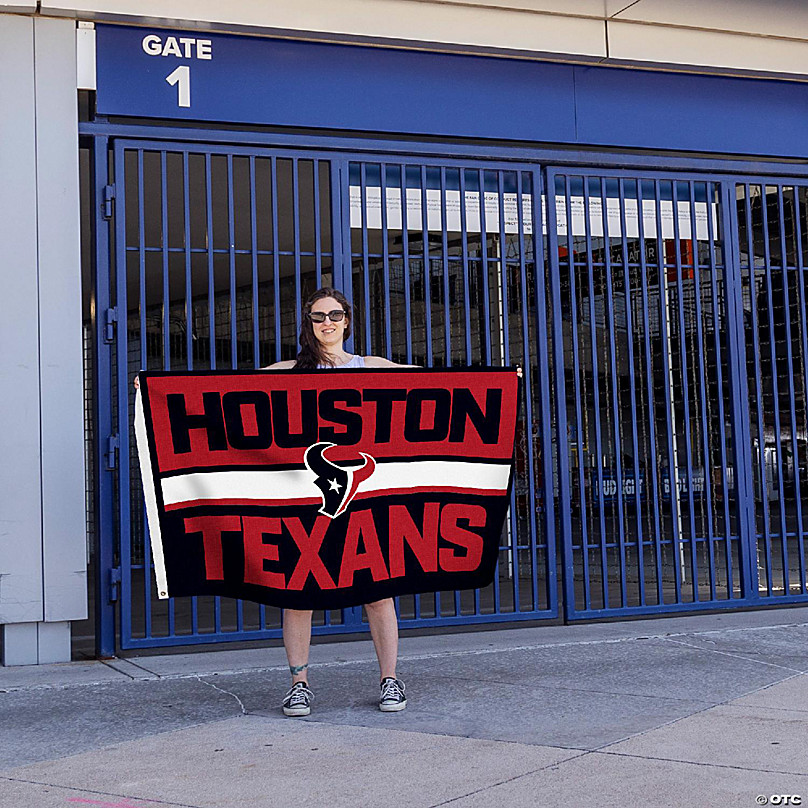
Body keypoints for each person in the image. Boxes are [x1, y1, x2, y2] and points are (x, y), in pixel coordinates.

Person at [267, 287, 413, 718]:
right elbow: (219, 389)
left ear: (347, 320)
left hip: (365, 497)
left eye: (334, 314)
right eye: (317, 316)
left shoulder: (372, 367)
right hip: (309, 497)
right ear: (308, 323)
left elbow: (440, 381)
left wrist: (502, 379)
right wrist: (157, 387)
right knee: (298, 592)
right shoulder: (291, 370)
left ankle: (390, 679)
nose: (326, 322)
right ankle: (299, 685)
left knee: (378, 591)